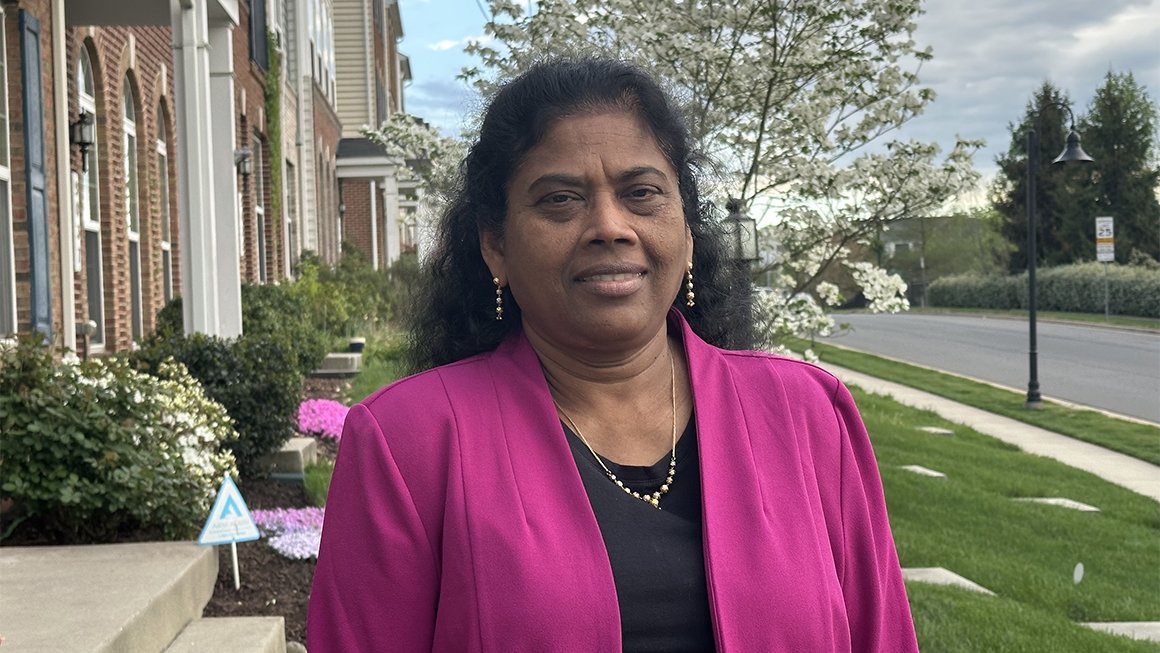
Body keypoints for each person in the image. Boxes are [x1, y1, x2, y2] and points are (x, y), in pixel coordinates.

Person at [308, 58, 918, 652]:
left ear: (684, 226)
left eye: (642, 193)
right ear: (495, 245)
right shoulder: (407, 441)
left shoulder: (807, 413)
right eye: (559, 200)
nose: (609, 226)